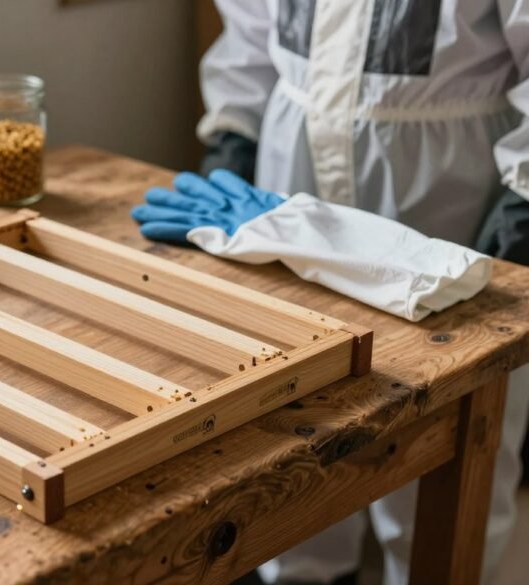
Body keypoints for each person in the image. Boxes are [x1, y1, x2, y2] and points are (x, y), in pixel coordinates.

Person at [134, 2, 529, 584]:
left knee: (441, 461)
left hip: (449, 197)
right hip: (289, 182)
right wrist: (234, 132)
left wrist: (523, 198)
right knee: (292, 436)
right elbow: (250, 27)